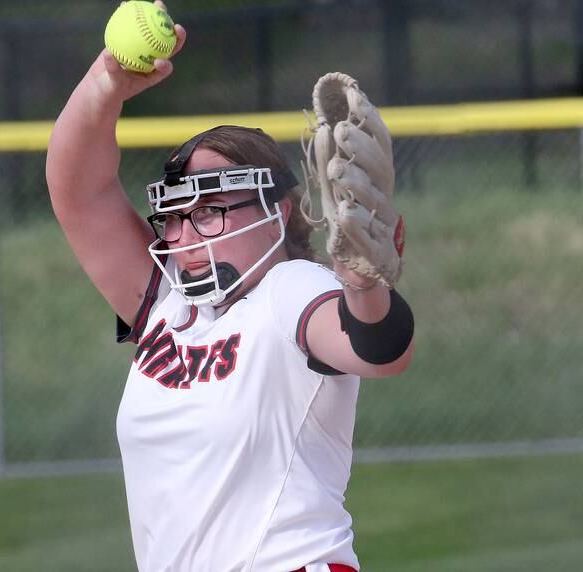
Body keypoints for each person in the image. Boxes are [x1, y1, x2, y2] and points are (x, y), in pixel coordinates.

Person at [45, 5, 414, 571]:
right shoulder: (169, 308)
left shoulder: (290, 288)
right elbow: (78, 190)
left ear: (278, 213)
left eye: (213, 209)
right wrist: (106, 84)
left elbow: (377, 348)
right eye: (175, 215)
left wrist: (365, 286)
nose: (188, 233)